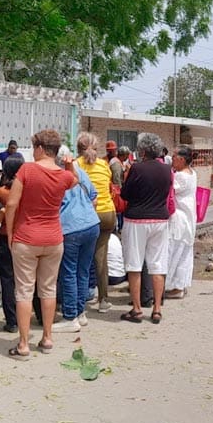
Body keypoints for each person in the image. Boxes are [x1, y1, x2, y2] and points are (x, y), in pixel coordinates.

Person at [5, 129, 78, 360]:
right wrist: (70, 165)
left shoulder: (27, 170)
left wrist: (10, 232)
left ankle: (23, 344)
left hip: (26, 237)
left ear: (39, 148)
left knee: (24, 290)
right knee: (48, 289)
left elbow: (11, 204)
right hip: (53, 238)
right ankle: (47, 337)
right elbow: (74, 180)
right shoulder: (63, 176)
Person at [119, 132, 173, 325]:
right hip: (160, 219)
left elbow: (125, 194)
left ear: (142, 151)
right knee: (158, 265)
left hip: (137, 219)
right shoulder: (167, 169)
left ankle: (137, 309)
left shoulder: (137, 168)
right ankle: (157, 309)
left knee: (134, 264)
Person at [54, 146, 100, 333]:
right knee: (83, 271)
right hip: (91, 224)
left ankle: (70, 316)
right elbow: (94, 197)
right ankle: (80, 312)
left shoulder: (55, 176)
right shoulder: (80, 172)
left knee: (69, 272)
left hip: (70, 227)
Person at [75, 132, 117, 313]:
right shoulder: (104, 165)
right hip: (108, 212)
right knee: (101, 258)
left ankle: (80, 299)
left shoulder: (76, 165)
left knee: (81, 258)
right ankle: (103, 300)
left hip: (87, 214)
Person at [0, 156, 25, 333]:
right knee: (27, 281)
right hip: (26, 237)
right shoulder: (29, 191)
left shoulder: (0, 192)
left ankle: (12, 321)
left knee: (7, 281)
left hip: (5, 238)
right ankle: (35, 315)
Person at [165, 145, 197, 299]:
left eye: (174, 156)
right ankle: (180, 285)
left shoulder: (180, 177)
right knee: (184, 253)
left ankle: (173, 286)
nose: (172, 159)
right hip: (188, 218)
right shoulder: (192, 173)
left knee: (174, 252)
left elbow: (169, 190)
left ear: (182, 159)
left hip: (179, 218)